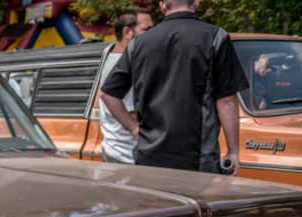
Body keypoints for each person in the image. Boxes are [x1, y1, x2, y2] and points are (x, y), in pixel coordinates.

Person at [99, 0, 249, 175]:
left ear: (163, 6)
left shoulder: (137, 44)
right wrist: (233, 152)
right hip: (197, 159)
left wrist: (133, 127)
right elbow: (226, 102)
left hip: (149, 157)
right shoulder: (216, 37)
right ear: (196, 3)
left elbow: (108, 94)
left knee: (155, 203)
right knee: (197, 202)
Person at [98, 8, 154, 164]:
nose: (153, 35)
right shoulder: (124, 66)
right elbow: (132, 111)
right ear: (128, 32)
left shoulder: (109, 55)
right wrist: (135, 128)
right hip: (128, 154)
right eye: (146, 29)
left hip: (114, 149)